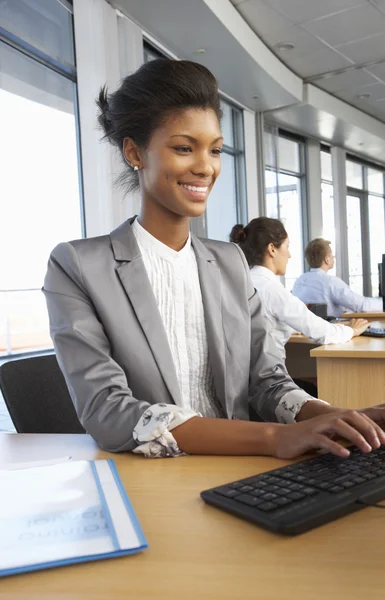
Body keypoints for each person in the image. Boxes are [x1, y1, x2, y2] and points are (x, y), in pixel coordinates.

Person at [43, 58, 385, 461]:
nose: (206, 167)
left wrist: (337, 417)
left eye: (216, 150)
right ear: (135, 152)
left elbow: (266, 381)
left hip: (240, 471)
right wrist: (274, 439)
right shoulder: (78, 265)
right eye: (184, 148)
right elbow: (108, 409)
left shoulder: (230, 262)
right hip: (153, 482)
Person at [230, 217, 369, 396]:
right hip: (269, 388)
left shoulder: (242, 281)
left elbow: (265, 324)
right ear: (272, 249)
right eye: (287, 247)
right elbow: (324, 334)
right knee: (319, 388)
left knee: (311, 381)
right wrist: (352, 330)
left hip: (243, 385)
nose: (290, 255)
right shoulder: (272, 289)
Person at [292, 238, 383, 317]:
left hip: (304, 334)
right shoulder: (330, 282)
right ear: (326, 259)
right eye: (331, 255)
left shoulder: (298, 282)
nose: (333, 257)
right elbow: (361, 305)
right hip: (330, 332)